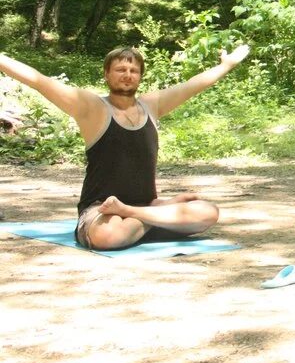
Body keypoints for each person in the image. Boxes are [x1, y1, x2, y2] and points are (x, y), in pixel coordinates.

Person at [0, 45, 250, 249]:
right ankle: (156, 214)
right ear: (106, 74)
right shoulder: (91, 108)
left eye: (133, 70)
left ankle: (136, 212)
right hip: (100, 208)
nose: (127, 74)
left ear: (140, 76)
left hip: (141, 207)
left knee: (208, 212)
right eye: (120, 69)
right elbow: (38, 81)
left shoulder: (152, 105)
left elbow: (193, 85)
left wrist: (225, 65)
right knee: (107, 237)